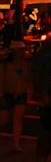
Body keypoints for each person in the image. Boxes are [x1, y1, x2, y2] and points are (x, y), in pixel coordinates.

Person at [1, 22, 29, 152]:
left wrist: (29, 91)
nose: (23, 53)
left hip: (20, 93)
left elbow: (28, 79)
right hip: (7, 93)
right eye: (20, 51)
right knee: (4, 120)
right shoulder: (6, 64)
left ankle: (16, 144)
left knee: (18, 119)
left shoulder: (25, 64)